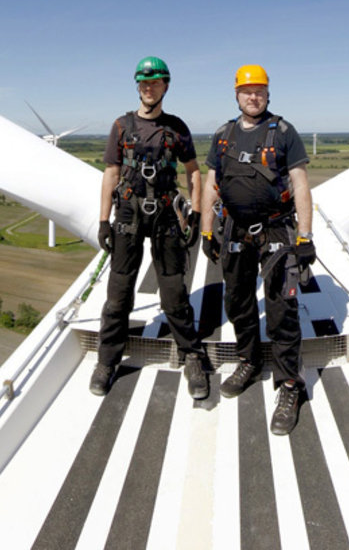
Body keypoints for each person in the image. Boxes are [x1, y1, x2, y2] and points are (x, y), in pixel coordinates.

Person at [200, 64, 315, 435]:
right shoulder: (223, 135)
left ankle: (289, 387)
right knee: (237, 301)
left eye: (260, 91)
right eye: (247, 91)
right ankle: (248, 360)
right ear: (236, 94)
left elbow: (300, 183)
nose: (254, 96)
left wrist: (306, 236)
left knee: (282, 308)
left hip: (276, 229)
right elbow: (211, 184)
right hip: (234, 230)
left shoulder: (283, 132)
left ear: (267, 94)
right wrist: (206, 230)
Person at [91, 56, 208, 399]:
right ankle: (108, 360)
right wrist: (102, 220)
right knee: (119, 293)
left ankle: (191, 357)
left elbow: (193, 170)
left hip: (166, 217)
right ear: (138, 87)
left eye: (154, 82)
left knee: (174, 293)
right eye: (143, 83)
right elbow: (111, 174)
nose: (148, 87)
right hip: (127, 214)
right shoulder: (121, 126)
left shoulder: (176, 127)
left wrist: (196, 213)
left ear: (165, 86)